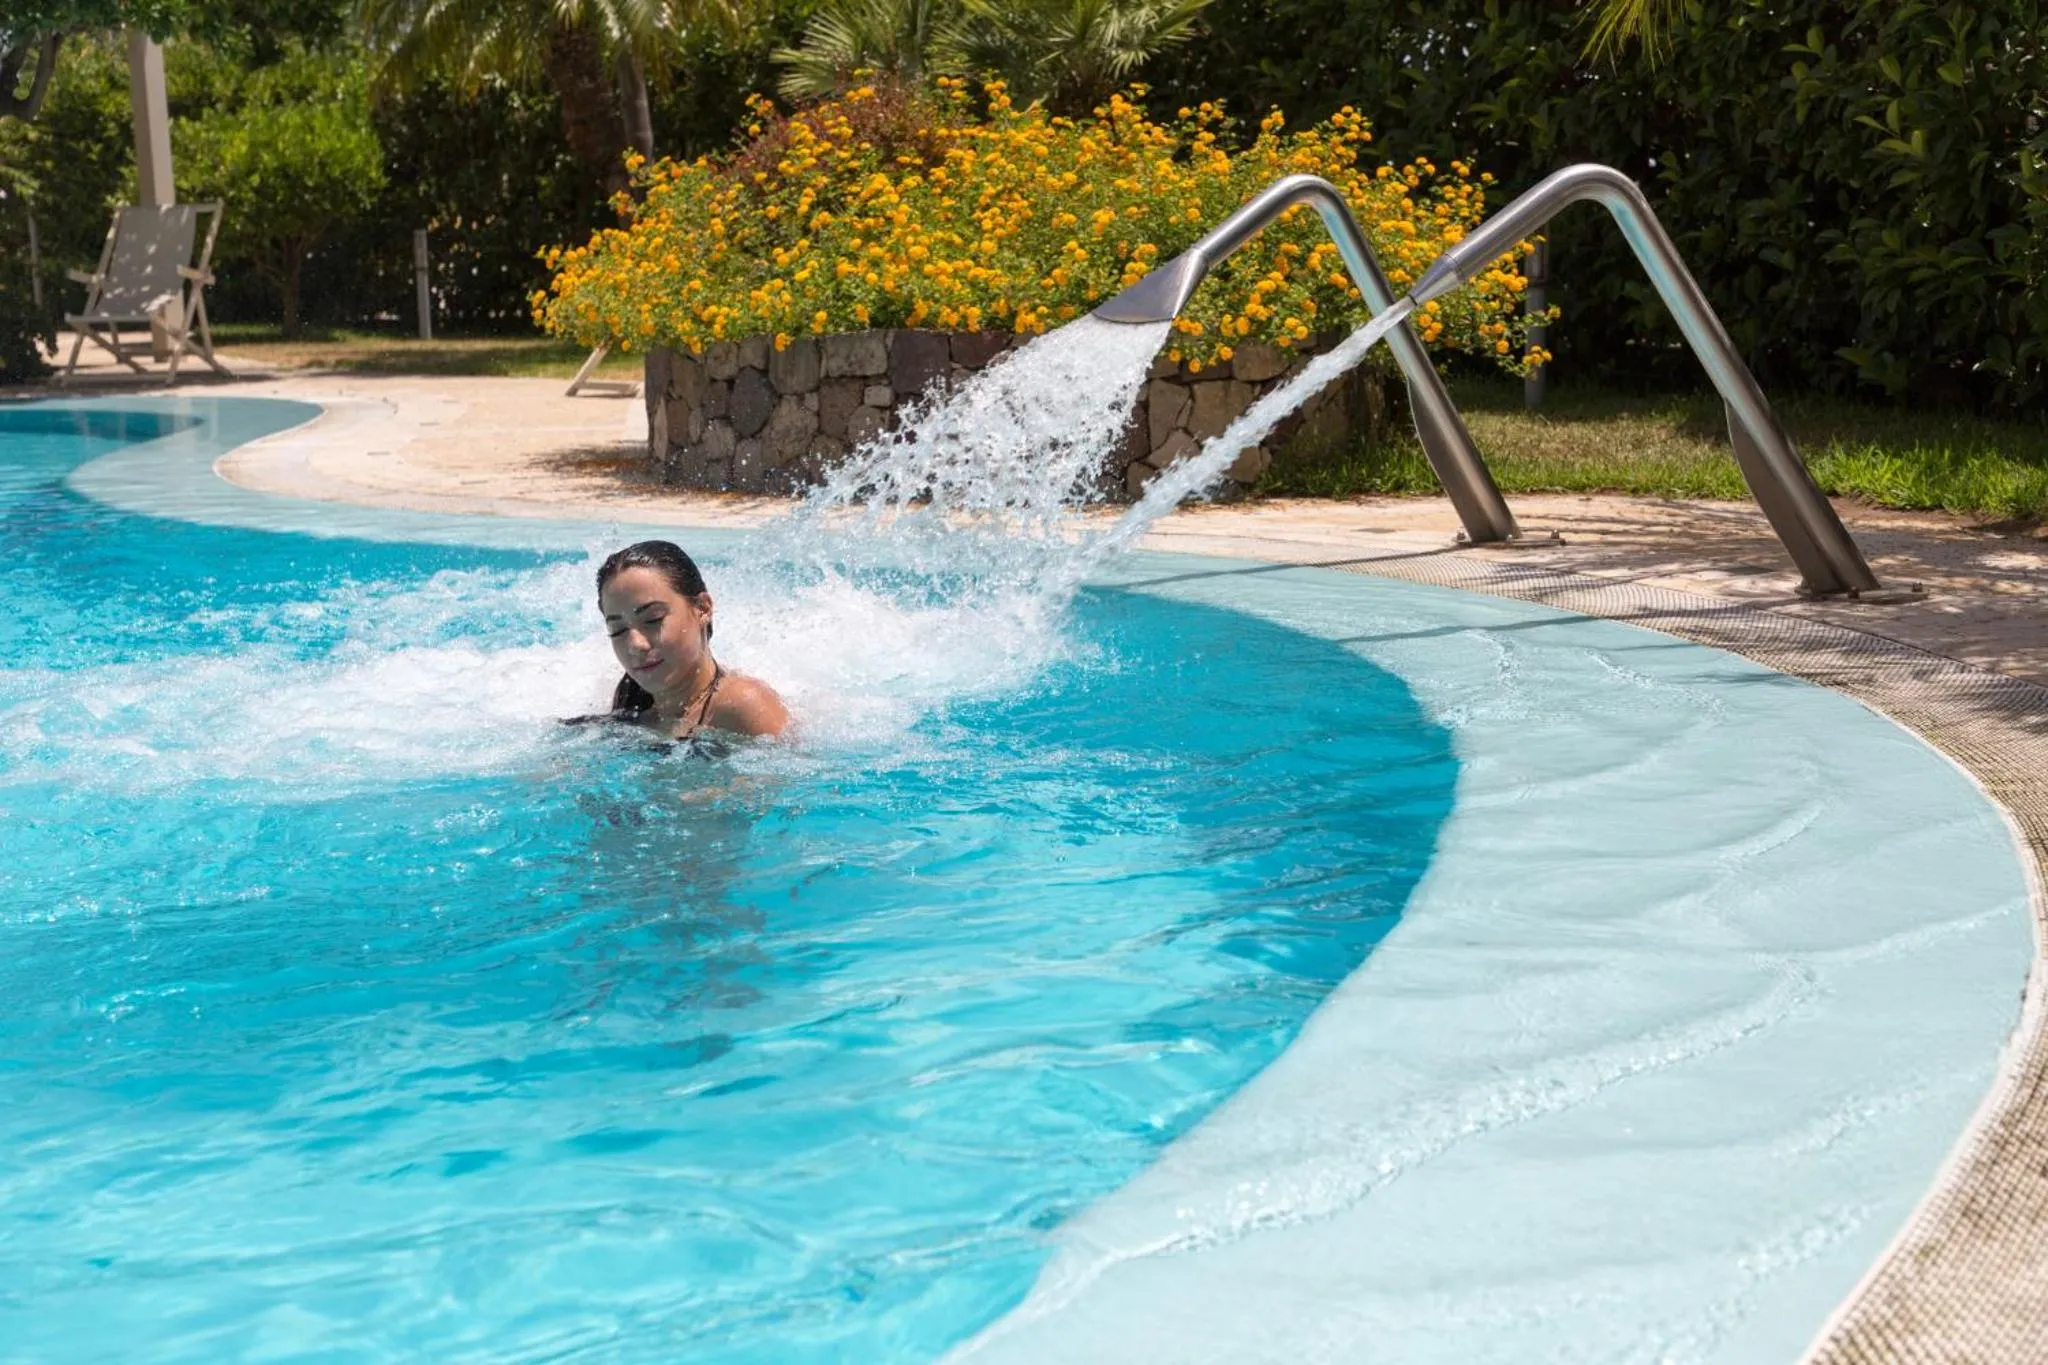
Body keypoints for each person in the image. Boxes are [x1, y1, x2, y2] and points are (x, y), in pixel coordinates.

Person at [592, 541, 790, 744]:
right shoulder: (634, 714)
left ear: (702, 608)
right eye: (618, 630)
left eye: (653, 619)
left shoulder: (743, 707)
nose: (635, 645)